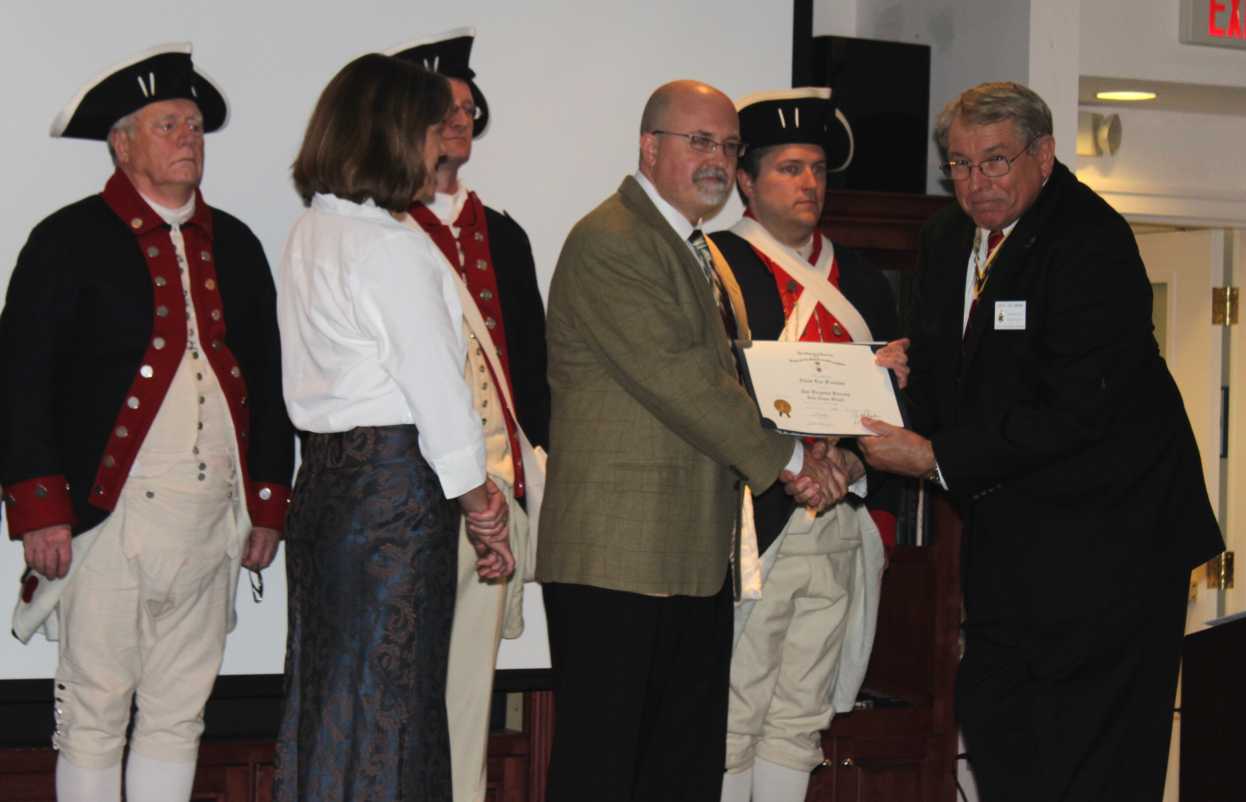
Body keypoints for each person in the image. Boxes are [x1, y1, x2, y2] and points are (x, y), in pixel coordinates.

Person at [859, 81, 1224, 802]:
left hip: (1117, 542)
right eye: (958, 165)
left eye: (995, 162)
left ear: (1044, 154)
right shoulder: (944, 238)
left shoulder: (1090, 240)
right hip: (1016, 540)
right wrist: (902, 376)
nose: (975, 183)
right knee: (1002, 722)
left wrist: (935, 457)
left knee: (1094, 755)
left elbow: (1075, 409)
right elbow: (950, 369)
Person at [536, 79, 850, 802]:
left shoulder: (690, 248)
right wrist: (796, 461)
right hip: (618, 558)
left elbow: (731, 385)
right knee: (604, 771)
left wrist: (820, 438)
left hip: (686, 557)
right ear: (650, 147)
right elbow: (681, 383)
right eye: (699, 141)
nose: (718, 159)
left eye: (729, 146)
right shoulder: (612, 241)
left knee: (677, 774)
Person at [0, 43, 294, 802]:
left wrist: (265, 500)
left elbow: (266, 376)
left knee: (178, 713)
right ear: (121, 143)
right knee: (95, 711)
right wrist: (40, 510)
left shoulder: (235, 243)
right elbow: (21, 379)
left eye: (194, 125)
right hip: (110, 518)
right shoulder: (65, 241)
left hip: (208, 519)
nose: (188, 138)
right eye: (168, 124)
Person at [272, 53, 514, 802]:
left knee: (334, 694)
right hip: (393, 493)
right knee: (392, 705)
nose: (435, 143)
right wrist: (482, 507)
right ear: (388, 135)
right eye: (423, 128)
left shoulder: (312, 230)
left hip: (328, 483)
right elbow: (439, 396)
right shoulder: (391, 246)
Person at [709, 87, 904, 802]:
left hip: (840, 515)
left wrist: (851, 461)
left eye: (818, 168)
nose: (809, 184)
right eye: (790, 167)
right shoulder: (714, 265)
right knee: (735, 709)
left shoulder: (865, 280)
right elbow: (706, 395)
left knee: (801, 715)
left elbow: (895, 400)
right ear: (746, 181)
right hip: (755, 519)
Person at [389, 29, 550, 802]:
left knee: (468, 698)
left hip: (491, 494)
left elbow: (534, 376)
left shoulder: (503, 234)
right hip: (400, 505)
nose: (459, 118)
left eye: (464, 106)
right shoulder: (378, 232)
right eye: (440, 108)